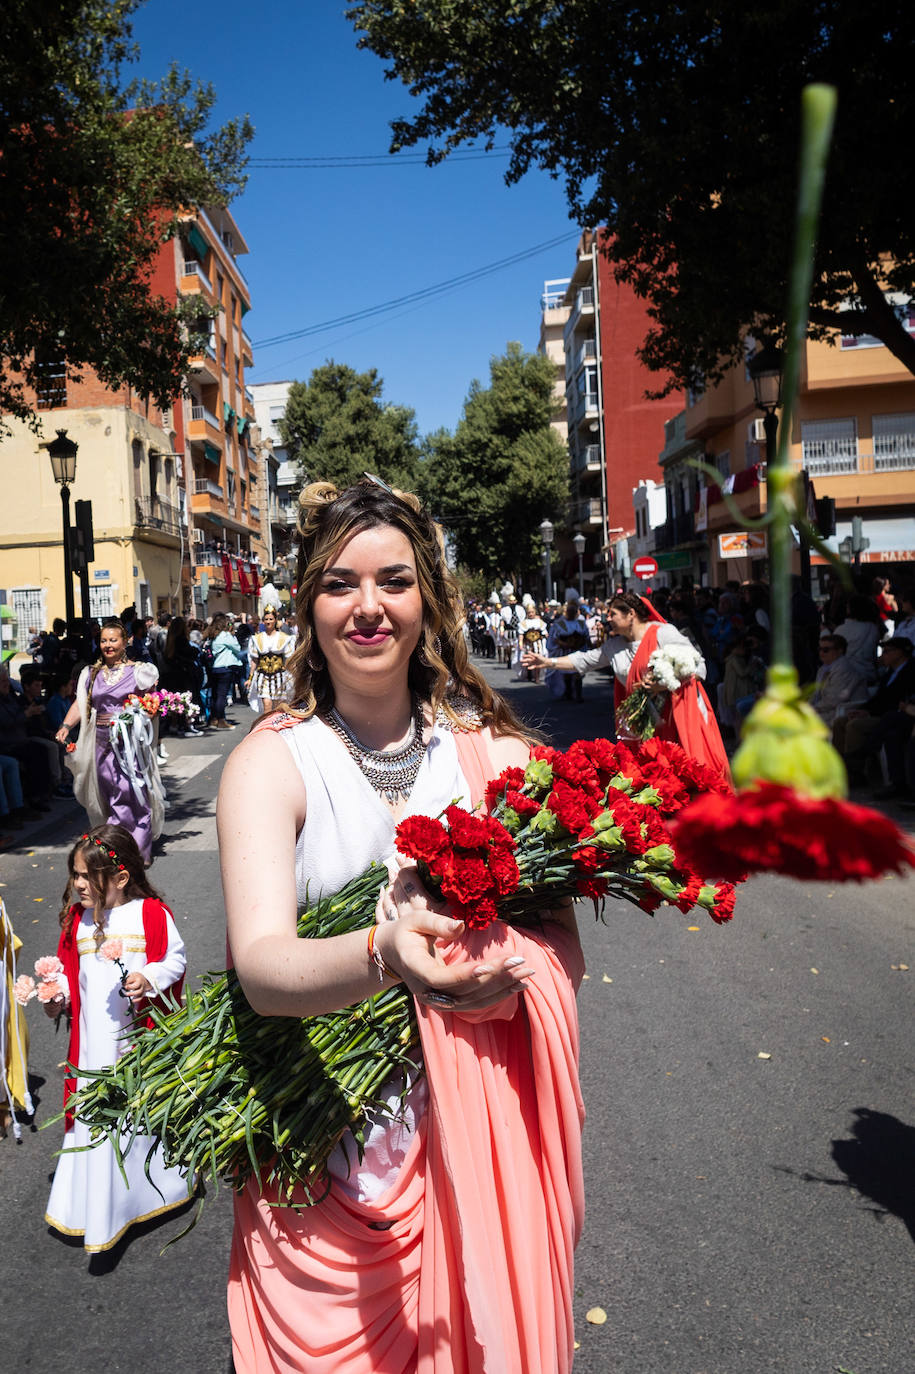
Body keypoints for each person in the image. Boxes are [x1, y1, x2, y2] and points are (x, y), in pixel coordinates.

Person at [217, 478, 584, 1373]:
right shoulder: (272, 763)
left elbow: (561, 942)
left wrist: (501, 966)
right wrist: (386, 953)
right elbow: (263, 969)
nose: (368, 607)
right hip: (326, 1160)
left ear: (429, 597)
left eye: (394, 581)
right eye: (340, 584)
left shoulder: (497, 756)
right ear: (306, 603)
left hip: (473, 1159)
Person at [45, 825, 188, 1252]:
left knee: (138, 1110)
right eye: (75, 874)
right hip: (93, 1047)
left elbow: (174, 959)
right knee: (97, 1114)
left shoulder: (150, 914)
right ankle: (96, 1204)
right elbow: (75, 980)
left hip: (136, 1043)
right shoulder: (78, 922)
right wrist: (59, 999)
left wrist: (149, 977)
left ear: (121, 878)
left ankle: (148, 1192)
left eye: (89, 876)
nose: (79, 884)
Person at [525, 590, 729, 774]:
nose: (608, 618)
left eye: (612, 613)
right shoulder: (614, 646)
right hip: (645, 724)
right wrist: (547, 662)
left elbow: (698, 666)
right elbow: (585, 660)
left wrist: (665, 683)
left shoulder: (662, 633)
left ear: (631, 614)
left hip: (677, 716)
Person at [55, 619, 164, 865]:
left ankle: (135, 849)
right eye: (103, 640)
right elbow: (81, 704)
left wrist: (145, 713)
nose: (108, 645)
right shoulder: (92, 673)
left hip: (129, 741)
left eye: (113, 640)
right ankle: (119, 845)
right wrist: (65, 726)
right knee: (108, 791)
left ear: (125, 642)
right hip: (102, 740)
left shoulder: (139, 671)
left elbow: (152, 702)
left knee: (130, 790)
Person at [809, 635, 868, 729]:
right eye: (819, 649)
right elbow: (816, 694)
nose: (821, 653)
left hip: (841, 711)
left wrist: (812, 709)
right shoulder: (824, 668)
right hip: (826, 709)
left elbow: (835, 699)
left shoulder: (843, 668)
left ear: (840, 651)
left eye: (826, 650)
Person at [246, 603, 294, 713]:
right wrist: (250, 677)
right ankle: (267, 728)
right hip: (262, 675)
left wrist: (292, 675)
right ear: (263, 621)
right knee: (267, 705)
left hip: (279, 675)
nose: (268, 622)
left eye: (271, 619)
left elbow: (289, 659)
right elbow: (254, 660)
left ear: (275, 620)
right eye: (266, 619)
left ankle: (276, 729)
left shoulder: (284, 638)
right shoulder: (257, 638)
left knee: (278, 707)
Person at [544, 596, 590, 701]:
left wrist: (581, 644)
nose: (572, 613)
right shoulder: (559, 624)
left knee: (578, 673)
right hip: (565, 651)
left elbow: (586, 637)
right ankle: (568, 692)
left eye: (574, 611)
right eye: (570, 611)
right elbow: (554, 639)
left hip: (578, 651)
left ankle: (578, 694)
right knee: (567, 673)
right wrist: (565, 644)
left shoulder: (581, 623)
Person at [205, 613, 244, 730]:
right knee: (222, 695)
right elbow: (237, 648)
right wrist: (232, 634)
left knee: (216, 695)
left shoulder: (213, 636)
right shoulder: (225, 635)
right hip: (226, 667)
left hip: (215, 667)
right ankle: (221, 720)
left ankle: (213, 719)